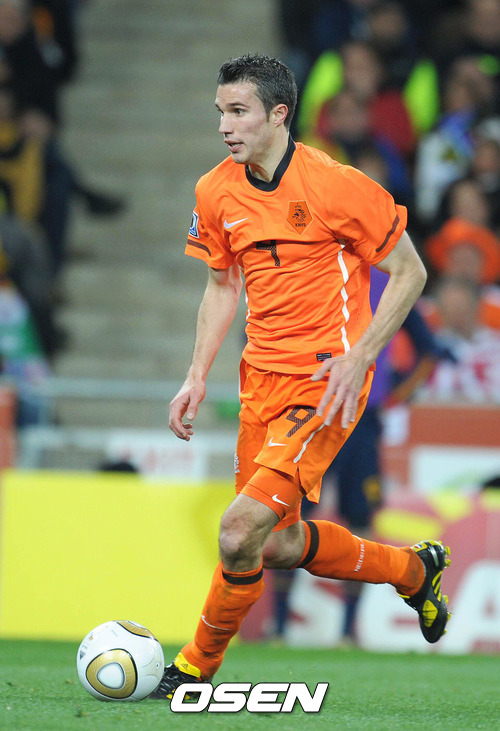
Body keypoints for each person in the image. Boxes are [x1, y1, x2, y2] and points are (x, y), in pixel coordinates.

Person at [152, 54, 451, 699]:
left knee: (238, 530)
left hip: (325, 383)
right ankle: (411, 571)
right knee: (274, 543)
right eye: (220, 112)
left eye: (239, 112)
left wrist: (362, 354)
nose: (225, 126)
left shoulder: (337, 186)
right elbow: (221, 285)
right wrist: (195, 375)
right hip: (259, 382)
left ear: (278, 115)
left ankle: (193, 669)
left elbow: (410, 271)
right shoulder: (215, 191)